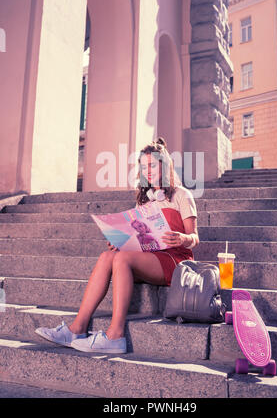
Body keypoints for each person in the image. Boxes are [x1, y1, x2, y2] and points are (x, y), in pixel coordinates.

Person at [35, 137, 199, 353]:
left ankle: (115, 335)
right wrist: (122, 241)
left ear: (164, 165)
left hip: (175, 260)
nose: (147, 171)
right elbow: (140, 236)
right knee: (107, 256)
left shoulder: (181, 195)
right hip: (148, 256)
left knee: (121, 259)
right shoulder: (144, 200)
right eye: (143, 167)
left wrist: (182, 238)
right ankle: (77, 327)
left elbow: (194, 237)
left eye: (152, 165)